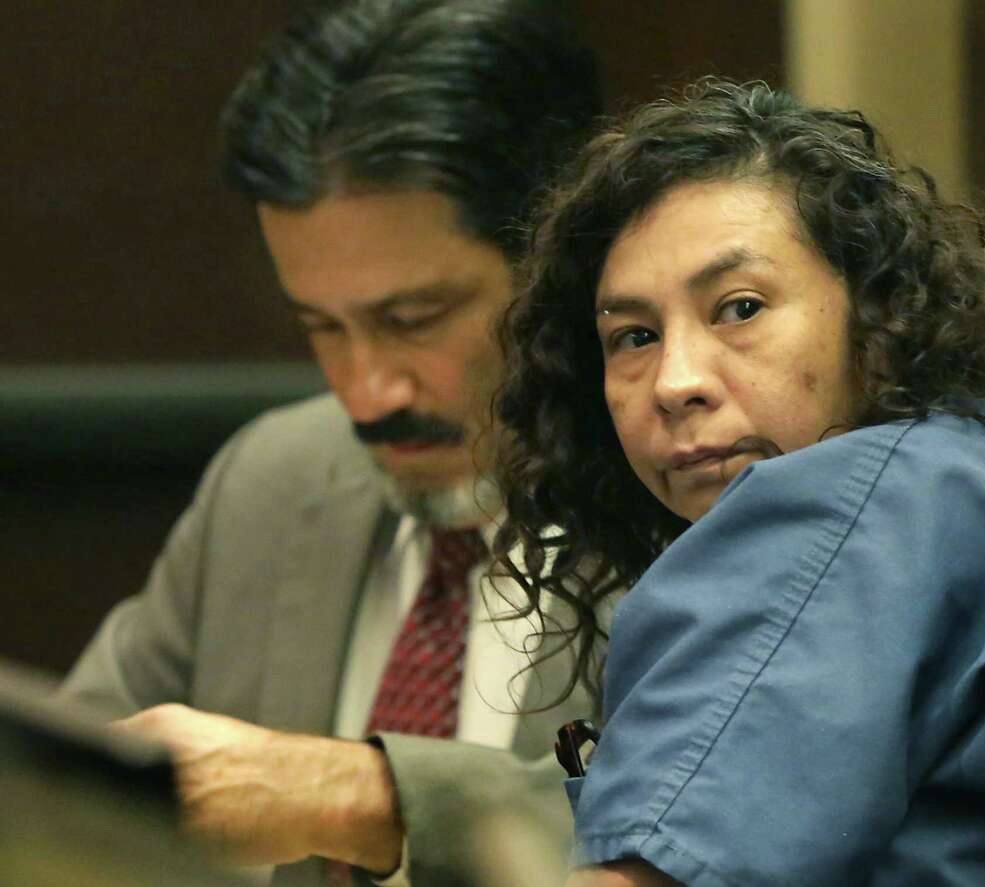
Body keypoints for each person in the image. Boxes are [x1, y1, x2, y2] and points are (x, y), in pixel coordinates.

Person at [492, 79, 985, 886]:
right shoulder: (984, 472)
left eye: (740, 307)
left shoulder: (844, 503)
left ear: (877, 316)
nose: (674, 380)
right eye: (634, 336)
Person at [59, 1, 601, 884]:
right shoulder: (273, 480)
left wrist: (360, 796)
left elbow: (737, 826)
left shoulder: (699, 496)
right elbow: (70, 801)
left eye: (413, 318)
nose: (365, 391)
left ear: (565, 258)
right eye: (321, 327)